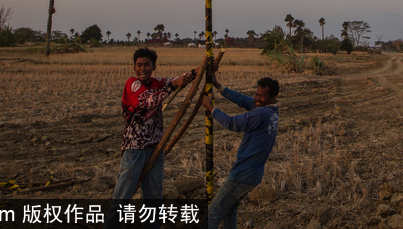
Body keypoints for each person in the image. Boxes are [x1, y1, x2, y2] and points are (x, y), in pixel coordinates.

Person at [107, 47, 199, 229]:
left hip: (155, 147)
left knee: (154, 196)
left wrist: (197, 71)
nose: (143, 69)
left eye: (147, 65)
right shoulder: (132, 84)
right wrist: (172, 86)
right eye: (139, 65)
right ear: (134, 68)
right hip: (135, 148)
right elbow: (148, 101)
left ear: (153, 67)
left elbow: (177, 80)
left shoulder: (157, 82)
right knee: (123, 196)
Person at [201, 75, 280, 229]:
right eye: (256, 94)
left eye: (262, 96)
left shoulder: (260, 114)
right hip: (253, 174)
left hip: (243, 174)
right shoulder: (272, 110)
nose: (257, 98)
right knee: (230, 209)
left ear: (273, 97)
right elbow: (243, 100)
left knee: (212, 214)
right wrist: (218, 86)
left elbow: (232, 123)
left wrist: (210, 108)